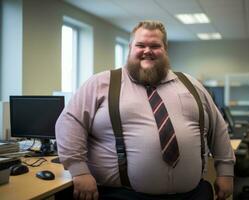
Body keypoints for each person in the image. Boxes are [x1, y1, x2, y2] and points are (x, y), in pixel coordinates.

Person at [55, 20, 235, 200]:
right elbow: (70, 123)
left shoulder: (191, 84)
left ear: (165, 48)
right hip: (122, 195)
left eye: (155, 45)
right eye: (140, 45)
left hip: (193, 194)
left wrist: (226, 171)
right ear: (130, 47)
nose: (147, 51)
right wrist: (79, 171)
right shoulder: (101, 83)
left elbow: (218, 129)